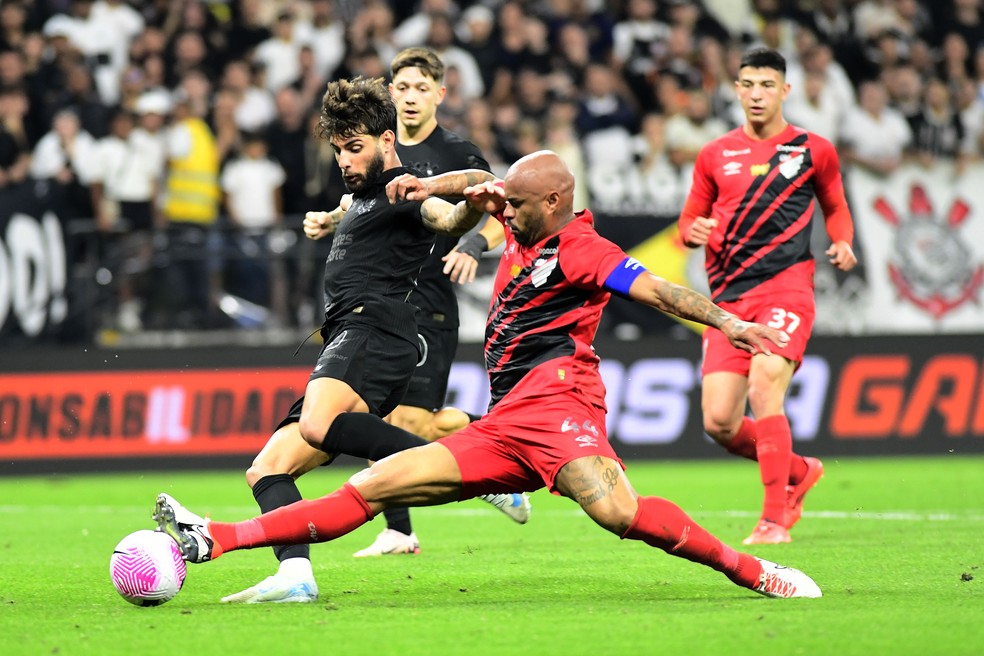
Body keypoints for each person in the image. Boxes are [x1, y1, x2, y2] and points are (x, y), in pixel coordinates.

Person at [154, 149, 822, 601]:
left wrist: (728, 323)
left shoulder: (584, 249)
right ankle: (213, 539)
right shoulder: (519, 209)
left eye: (520, 207)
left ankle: (756, 571)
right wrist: (427, 186)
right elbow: (476, 182)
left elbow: (656, 290)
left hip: (562, 404)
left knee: (619, 512)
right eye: (507, 204)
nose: (506, 213)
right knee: (374, 484)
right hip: (505, 422)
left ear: (557, 200)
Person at [214, 75, 501, 604]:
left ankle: (473, 467)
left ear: (386, 141)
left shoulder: (407, 193)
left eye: (355, 147)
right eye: (339, 149)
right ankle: (295, 575)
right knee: (267, 468)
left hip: (376, 331)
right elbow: (349, 207)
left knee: (321, 425)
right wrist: (326, 220)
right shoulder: (362, 199)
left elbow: (453, 212)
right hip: (346, 336)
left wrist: (470, 204)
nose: (345, 160)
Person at [343, 46, 530, 559]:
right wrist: (329, 219)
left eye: (421, 87)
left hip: (428, 304)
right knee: (364, 415)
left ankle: (492, 460)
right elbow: (362, 206)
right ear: (388, 92)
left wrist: (471, 243)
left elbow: (502, 211)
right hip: (375, 302)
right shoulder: (377, 151)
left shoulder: (457, 154)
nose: (409, 97)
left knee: (407, 423)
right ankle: (401, 529)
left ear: (440, 95)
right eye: (401, 87)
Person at [677, 47, 857, 546]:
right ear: (736, 90)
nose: (757, 94)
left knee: (764, 387)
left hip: (787, 289)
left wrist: (842, 241)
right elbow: (688, 220)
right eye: (748, 85)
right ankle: (799, 469)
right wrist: (695, 231)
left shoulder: (812, 149)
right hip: (728, 301)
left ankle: (774, 519)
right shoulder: (715, 153)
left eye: (767, 85)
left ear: (785, 91)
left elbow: (836, 206)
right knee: (719, 421)